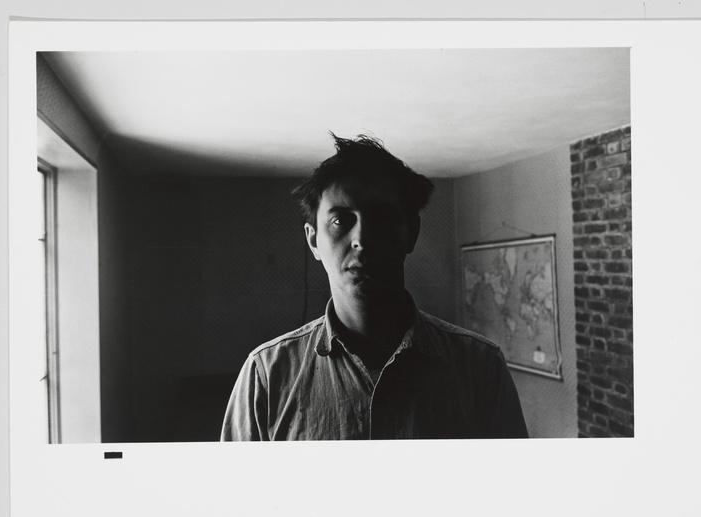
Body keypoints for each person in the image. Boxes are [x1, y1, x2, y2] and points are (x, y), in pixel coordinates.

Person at [221, 134, 528, 440]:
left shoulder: (480, 367)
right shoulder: (266, 374)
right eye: (341, 221)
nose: (362, 239)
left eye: (381, 218)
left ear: (411, 232)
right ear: (313, 240)